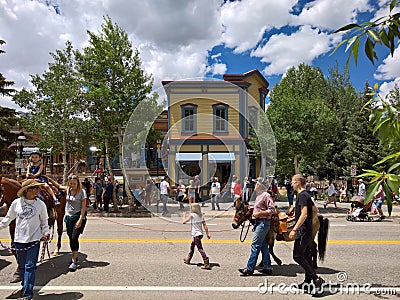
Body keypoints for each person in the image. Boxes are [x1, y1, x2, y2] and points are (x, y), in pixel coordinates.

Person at [0, 179, 50, 300]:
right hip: (19, 240)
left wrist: (46, 232)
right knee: (22, 266)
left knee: (30, 266)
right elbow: (8, 219)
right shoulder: (16, 203)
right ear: (27, 190)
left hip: (34, 240)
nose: (37, 190)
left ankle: (27, 294)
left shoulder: (40, 204)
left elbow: (44, 222)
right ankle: (25, 285)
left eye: (38, 188)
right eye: (35, 188)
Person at [289, 174, 324, 293]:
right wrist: (309, 222)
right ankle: (307, 282)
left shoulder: (302, 196)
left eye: (293, 182)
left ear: (298, 183)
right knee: (307, 256)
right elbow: (315, 210)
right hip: (308, 230)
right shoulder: (307, 195)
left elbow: (304, 214)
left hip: (303, 231)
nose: (291, 184)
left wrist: (295, 229)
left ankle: (316, 278)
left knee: (297, 256)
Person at [238, 177, 274, 276]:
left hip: (263, 222)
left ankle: (249, 269)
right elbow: (261, 207)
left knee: (255, 245)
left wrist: (259, 214)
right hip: (258, 222)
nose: (254, 185)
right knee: (263, 246)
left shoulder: (266, 195)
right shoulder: (259, 195)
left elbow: (271, 210)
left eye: (256, 184)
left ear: (260, 186)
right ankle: (267, 267)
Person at [65, 174, 88, 271]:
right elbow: (58, 186)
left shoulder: (82, 192)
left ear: (78, 183)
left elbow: (83, 207)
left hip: (77, 217)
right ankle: (75, 254)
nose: (72, 185)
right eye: (70, 184)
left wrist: (80, 219)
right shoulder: (68, 190)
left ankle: (73, 261)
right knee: (70, 237)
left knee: (74, 237)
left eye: (74, 183)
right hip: (68, 217)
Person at [182, 203, 211, 269]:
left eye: (191, 207)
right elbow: (205, 225)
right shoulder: (200, 215)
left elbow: (184, 222)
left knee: (200, 248)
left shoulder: (192, 215)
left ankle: (206, 263)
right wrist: (207, 233)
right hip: (200, 234)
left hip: (196, 234)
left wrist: (184, 215)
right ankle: (188, 259)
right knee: (192, 246)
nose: (190, 209)